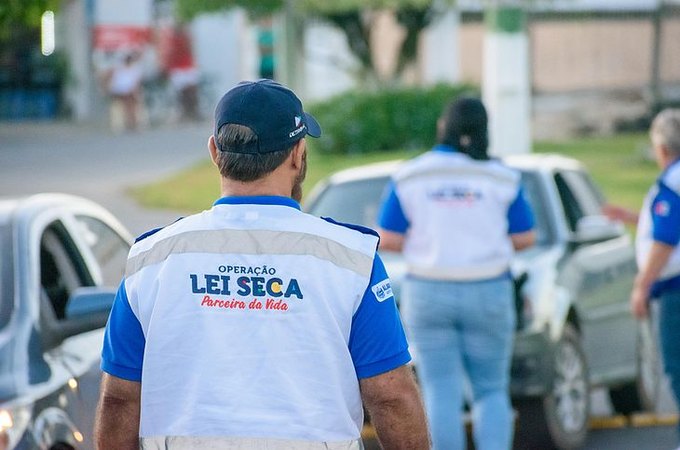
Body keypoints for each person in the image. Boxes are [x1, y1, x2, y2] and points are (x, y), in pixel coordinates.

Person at [94, 79, 429, 450]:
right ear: (298, 154)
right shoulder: (352, 259)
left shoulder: (150, 259)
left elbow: (120, 398)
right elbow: (391, 397)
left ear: (214, 153)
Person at [376, 97, 536, 450]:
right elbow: (525, 237)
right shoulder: (502, 176)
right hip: (490, 291)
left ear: (442, 128)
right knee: (492, 389)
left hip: (429, 292)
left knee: (439, 389)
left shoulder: (411, 175)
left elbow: (388, 237)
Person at [626, 108, 680, 447]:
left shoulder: (671, 181)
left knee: (676, 365)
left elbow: (666, 238)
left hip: (675, 289)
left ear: (662, 147)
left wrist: (641, 285)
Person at [106, 52, 144, 132]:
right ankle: (130, 121)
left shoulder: (134, 70)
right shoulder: (119, 69)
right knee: (128, 102)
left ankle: (132, 121)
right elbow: (114, 82)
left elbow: (136, 83)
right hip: (120, 91)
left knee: (131, 102)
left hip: (130, 91)